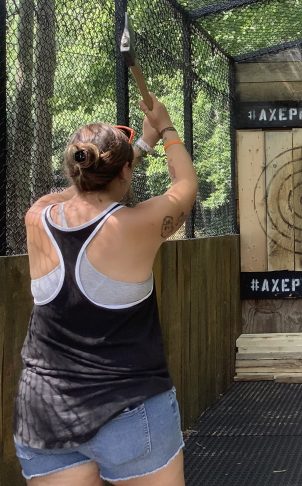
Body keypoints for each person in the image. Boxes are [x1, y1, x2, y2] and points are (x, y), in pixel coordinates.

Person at [13, 92, 197, 486]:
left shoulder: (36, 217)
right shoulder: (135, 226)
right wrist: (163, 129)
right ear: (125, 172)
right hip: (128, 409)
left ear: (73, 168)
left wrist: (133, 152)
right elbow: (185, 184)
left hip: (44, 412)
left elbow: (81, 193)